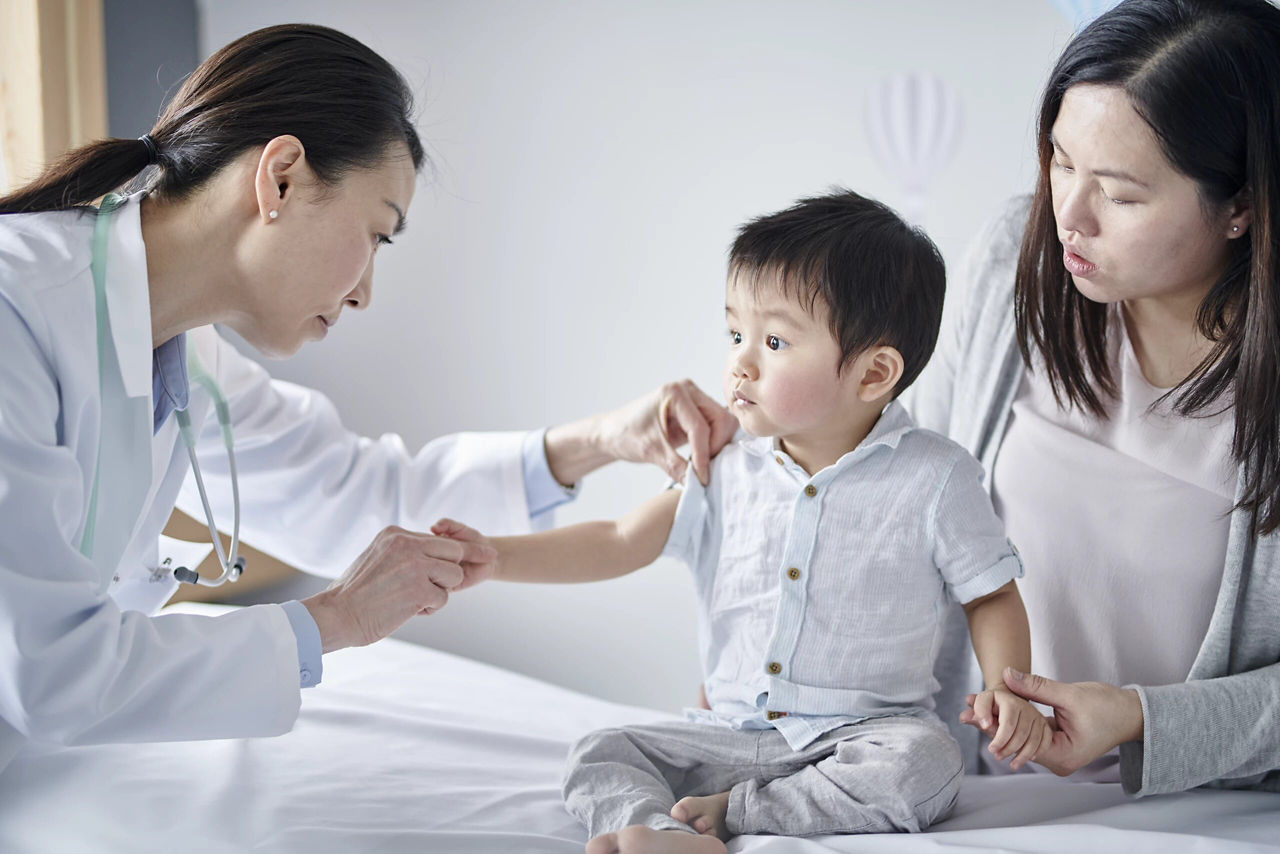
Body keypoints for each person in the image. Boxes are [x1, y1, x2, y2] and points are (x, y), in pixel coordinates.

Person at [0, 23, 735, 774]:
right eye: (377, 234)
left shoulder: (187, 356)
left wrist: (600, 441)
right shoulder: (14, 311)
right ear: (280, 176)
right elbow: (54, 672)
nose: (365, 295)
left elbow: (361, 494)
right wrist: (335, 619)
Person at [433, 190, 1047, 853]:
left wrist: (1008, 692)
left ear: (874, 373)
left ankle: (736, 815)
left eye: (774, 341)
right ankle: (658, 831)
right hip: (728, 735)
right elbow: (618, 540)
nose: (740, 362)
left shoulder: (937, 477)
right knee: (602, 750)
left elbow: (990, 594)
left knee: (927, 766)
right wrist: (497, 555)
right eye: (735, 334)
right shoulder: (725, 468)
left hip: (861, 738)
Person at [907, 0, 1280, 795]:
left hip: (1207, 821)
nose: (1067, 214)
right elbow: (905, 508)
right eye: (1061, 159)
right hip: (982, 792)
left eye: (1120, 193)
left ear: (1242, 206)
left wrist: (1144, 719)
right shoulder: (1016, 253)